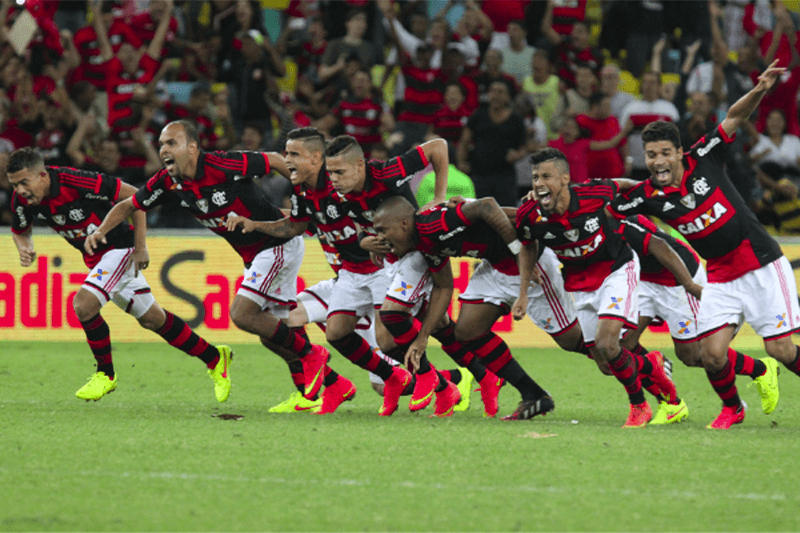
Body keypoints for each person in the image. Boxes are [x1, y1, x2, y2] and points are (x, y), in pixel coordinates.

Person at [84, 120, 332, 402]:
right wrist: (102, 231)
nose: (163, 149)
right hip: (255, 253)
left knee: (243, 314)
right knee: (275, 329)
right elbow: (129, 205)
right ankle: (321, 390)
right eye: (162, 144)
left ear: (192, 148)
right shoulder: (168, 182)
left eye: (171, 143)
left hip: (276, 242)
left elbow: (275, 160)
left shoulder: (223, 165)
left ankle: (313, 357)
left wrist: (306, 194)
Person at [607, 61, 794, 430]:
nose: (658, 161)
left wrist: (759, 89)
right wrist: (619, 182)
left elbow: (734, 117)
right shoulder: (645, 196)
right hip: (720, 276)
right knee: (709, 355)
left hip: (760, 261)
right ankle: (733, 409)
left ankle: (766, 372)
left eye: (664, 153)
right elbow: (605, 205)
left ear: (678, 152)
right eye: (651, 155)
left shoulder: (703, 155)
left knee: (781, 351)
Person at [7, 148, 233, 402]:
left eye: (24, 182)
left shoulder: (77, 181)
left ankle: (105, 374)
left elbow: (136, 198)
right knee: (152, 319)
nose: (20, 190)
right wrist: (24, 246)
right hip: (98, 260)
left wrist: (140, 247)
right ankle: (215, 357)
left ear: (42, 175)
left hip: (121, 248)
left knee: (83, 305)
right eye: (14, 185)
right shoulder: (22, 201)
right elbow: (20, 229)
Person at [225, 127, 410, 416]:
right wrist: (256, 223)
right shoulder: (304, 191)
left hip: (379, 275)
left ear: (315, 158)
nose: (287, 160)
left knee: (387, 358)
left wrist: (378, 238)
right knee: (284, 324)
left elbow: (381, 210)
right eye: (286, 153)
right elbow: (297, 224)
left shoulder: (346, 185)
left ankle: (451, 380)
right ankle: (323, 388)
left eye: (293, 154)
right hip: (346, 279)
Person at [326, 135, 494, 417]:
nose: (333, 179)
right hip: (392, 259)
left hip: (419, 251)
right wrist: (365, 241)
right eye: (330, 173)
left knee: (390, 331)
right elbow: (360, 226)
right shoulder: (341, 196)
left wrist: (438, 197)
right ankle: (479, 376)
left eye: (339, 172)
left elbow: (439, 145)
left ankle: (432, 378)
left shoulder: (385, 172)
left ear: (359, 165)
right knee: (436, 324)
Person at [514, 148, 680, 428]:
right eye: (534, 178)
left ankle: (639, 406)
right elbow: (527, 245)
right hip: (580, 285)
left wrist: (650, 201)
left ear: (565, 178)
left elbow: (626, 185)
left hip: (616, 269)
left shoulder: (593, 194)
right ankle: (653, 365)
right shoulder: (529, 213)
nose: (539, 183)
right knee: (605, 364)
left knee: (607, 343)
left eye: (546, 176)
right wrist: (522, 291)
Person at [373, 194, 576, 420]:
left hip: (531, 263)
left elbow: (488, 204)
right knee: (467, 331)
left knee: (573, 341)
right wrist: (422, 338)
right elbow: (443, 287)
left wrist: (519, 254)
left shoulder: (433, 225)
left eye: (383, 230)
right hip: (495, 266)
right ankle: (532, 394)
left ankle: (617, 348)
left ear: (403, 224)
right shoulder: (423, 242)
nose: (380, 238)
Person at [616, 215, 705, 424]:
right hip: (645, 280)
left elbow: (661, 246)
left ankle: (757, 368)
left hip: (676, 278)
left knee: (691, 356)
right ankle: (670, 400)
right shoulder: (587, 226)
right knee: (625, 343)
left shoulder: (624, 224)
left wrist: (690, 285)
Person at [457, 81, 527, 207]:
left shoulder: (516, 119)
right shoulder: (478, 116)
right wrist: (461, 162)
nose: (495, 95)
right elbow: (464, 142)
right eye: (493, 91)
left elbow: (524, 147)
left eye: (500, 92)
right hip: (479, 175)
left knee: (505, 215)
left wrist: (517, 155)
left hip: (505, 178)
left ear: (508, 97)